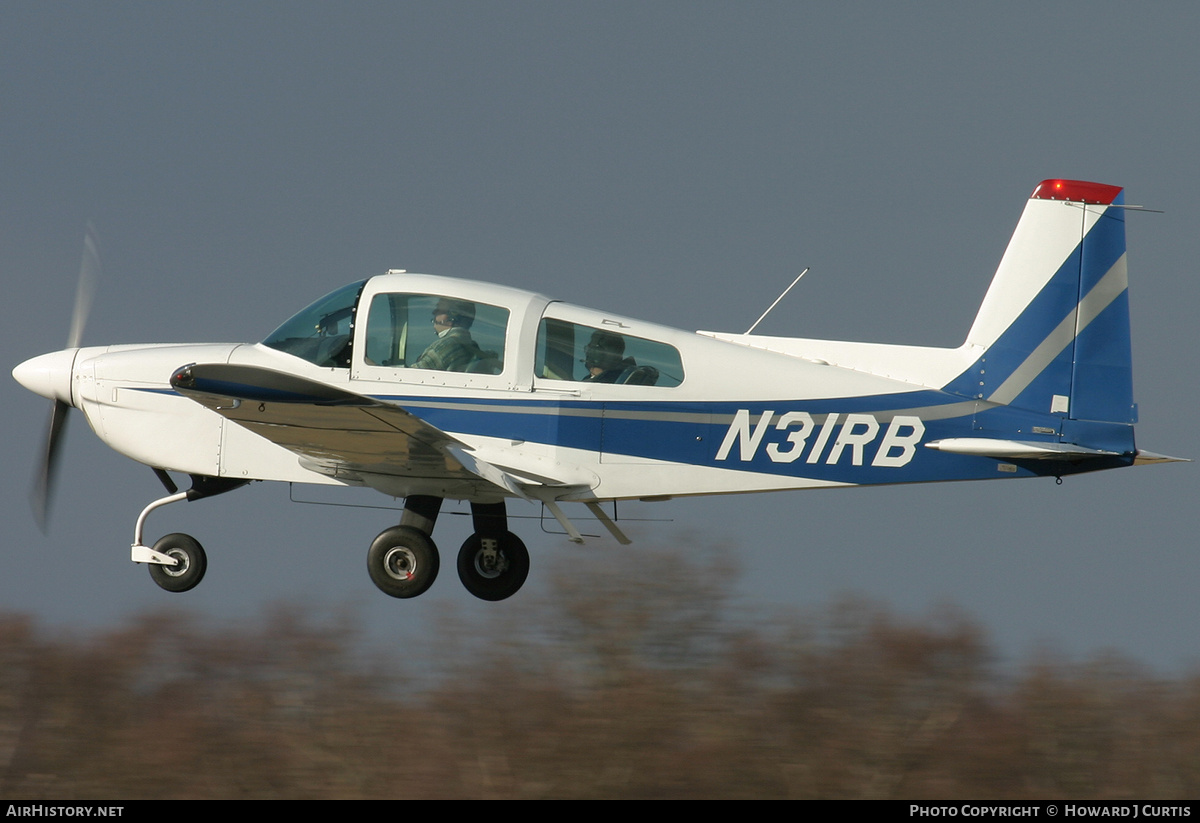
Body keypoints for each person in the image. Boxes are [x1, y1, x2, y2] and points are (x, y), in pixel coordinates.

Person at [411, 298, 484, 372]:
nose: (434, 312)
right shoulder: (473, 346)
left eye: (439, 310)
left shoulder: (444, 347)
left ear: (452, 317)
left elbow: (413, 374)